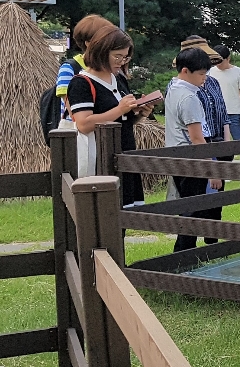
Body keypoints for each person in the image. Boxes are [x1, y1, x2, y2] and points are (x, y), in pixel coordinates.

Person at [66, 24, 152, 206]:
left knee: (128, 213)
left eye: (125, 57)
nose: (121, 61)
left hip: (125, 155)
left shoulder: (118, 78)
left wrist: (139, 113)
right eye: (117, 56)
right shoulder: (81, 83)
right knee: (107, 213)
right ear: (101, 51)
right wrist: (120, 109)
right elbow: (84, 124)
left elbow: (122, 120)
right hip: (101, 161)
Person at [165, 48, 220, 252]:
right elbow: (197, 137)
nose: (204, 78)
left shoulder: (173, 89)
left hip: (176, 156)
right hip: (191, 160)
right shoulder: (188, 97)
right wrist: (212, 170)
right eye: (201, 74)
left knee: (189, 207)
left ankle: (185, 253)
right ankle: (184, 254)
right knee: (193, 210)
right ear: (185, 71)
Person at [56, 15, 113, 121]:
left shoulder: (109, 69)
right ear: (88, 43)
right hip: (77, 130)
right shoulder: (69, 68)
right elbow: (73, 111)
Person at [210, 44, 240, 163]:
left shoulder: (239, 72)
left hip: (234, 113)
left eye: (220, 61)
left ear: (228, 58)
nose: (218, 64)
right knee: (219, 145)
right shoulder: (210, 72)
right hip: (216, 114)